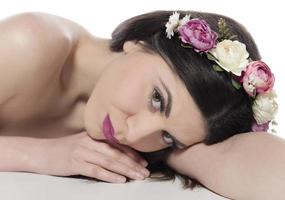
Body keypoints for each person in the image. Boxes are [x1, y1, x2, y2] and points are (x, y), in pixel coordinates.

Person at [0, 10, 283, 200]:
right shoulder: (29, 43)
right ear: (137, 43)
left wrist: (178, 152)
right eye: (157, 99)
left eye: (167, 136)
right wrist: (43, 154)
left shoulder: (148, 144)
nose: (134, 135)